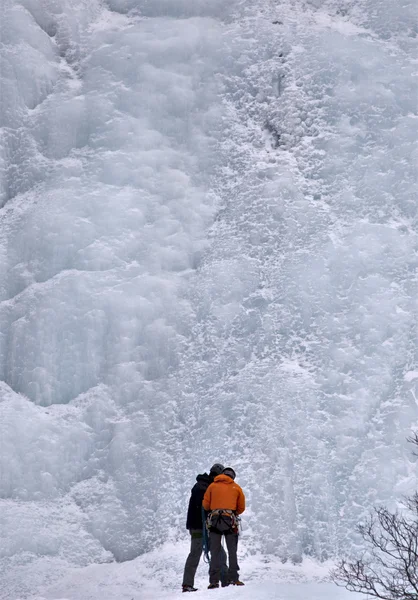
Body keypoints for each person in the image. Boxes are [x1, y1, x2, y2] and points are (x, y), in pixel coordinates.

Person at [182, 463, 228, 593]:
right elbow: (204, 507)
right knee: (197, 553)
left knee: (218, 552)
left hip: (202, 526)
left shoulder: (204, 485)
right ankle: (188, 584)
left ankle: (224, 581)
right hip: (199, 527)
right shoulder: (203, 486)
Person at [202, 466, 245, 589]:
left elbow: (205, 505)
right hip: (229, 520)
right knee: (232, 551)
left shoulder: (212, 486)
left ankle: (214, 581)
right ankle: (233, 578)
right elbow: (241, 508)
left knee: (214, 552)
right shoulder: (236, 487)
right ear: (232, 476)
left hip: (214, 521)